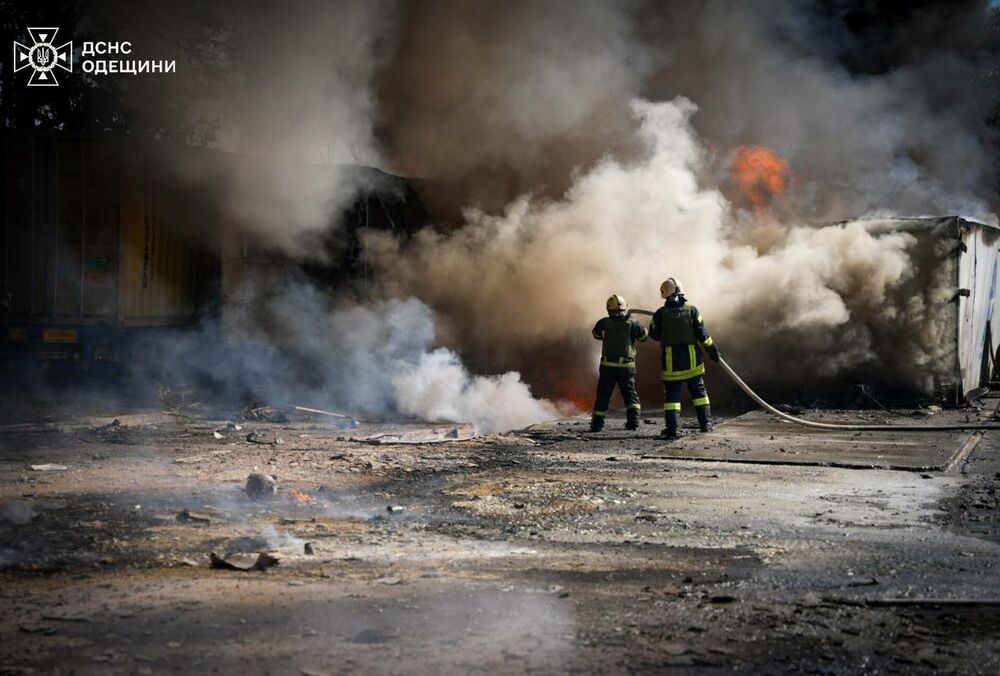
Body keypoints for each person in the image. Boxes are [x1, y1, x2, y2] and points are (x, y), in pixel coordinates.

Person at [647, 278, 720, 439]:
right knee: (699, 393)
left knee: (672, 397)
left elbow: (654, 335)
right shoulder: (692, 310)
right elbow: (703, 335)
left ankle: (672, 430)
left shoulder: (660, 314)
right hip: (692, 360)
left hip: (672, 363)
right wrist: (713, 351)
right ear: (681, 292)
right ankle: (705, 425)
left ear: (664, 294)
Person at [590, 294, 648, 432]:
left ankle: (597, 425)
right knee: (630, 395)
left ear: (609, 309)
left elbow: (596, 335)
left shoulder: (603, 323)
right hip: (626, 367)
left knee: (603, 396)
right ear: (624, 307)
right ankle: (633, 423)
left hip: (607, 367)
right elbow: (644, 337)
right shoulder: (632, 323)